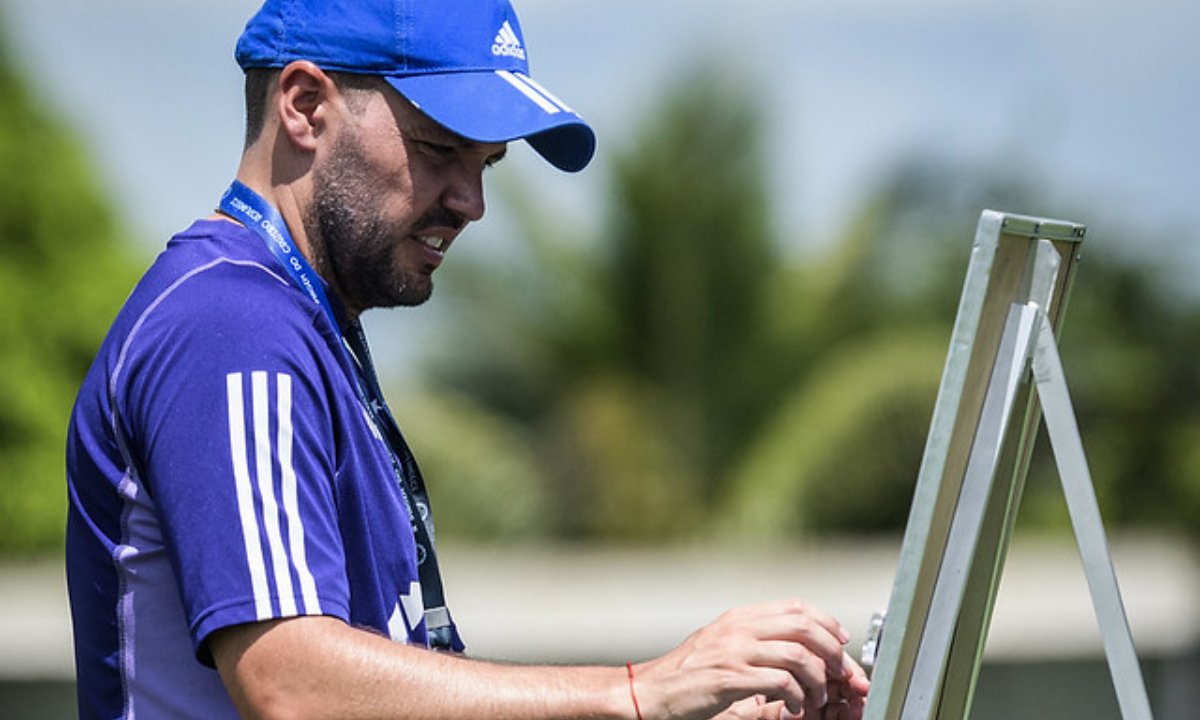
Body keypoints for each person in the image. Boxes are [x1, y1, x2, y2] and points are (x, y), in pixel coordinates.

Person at [65, 0, 870, 718]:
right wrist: (639, 692)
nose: (471, 202)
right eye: (437, 148)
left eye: (486, 164)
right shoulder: (231, 321)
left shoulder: (298, 323)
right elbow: (294, 687)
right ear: (305, 105)